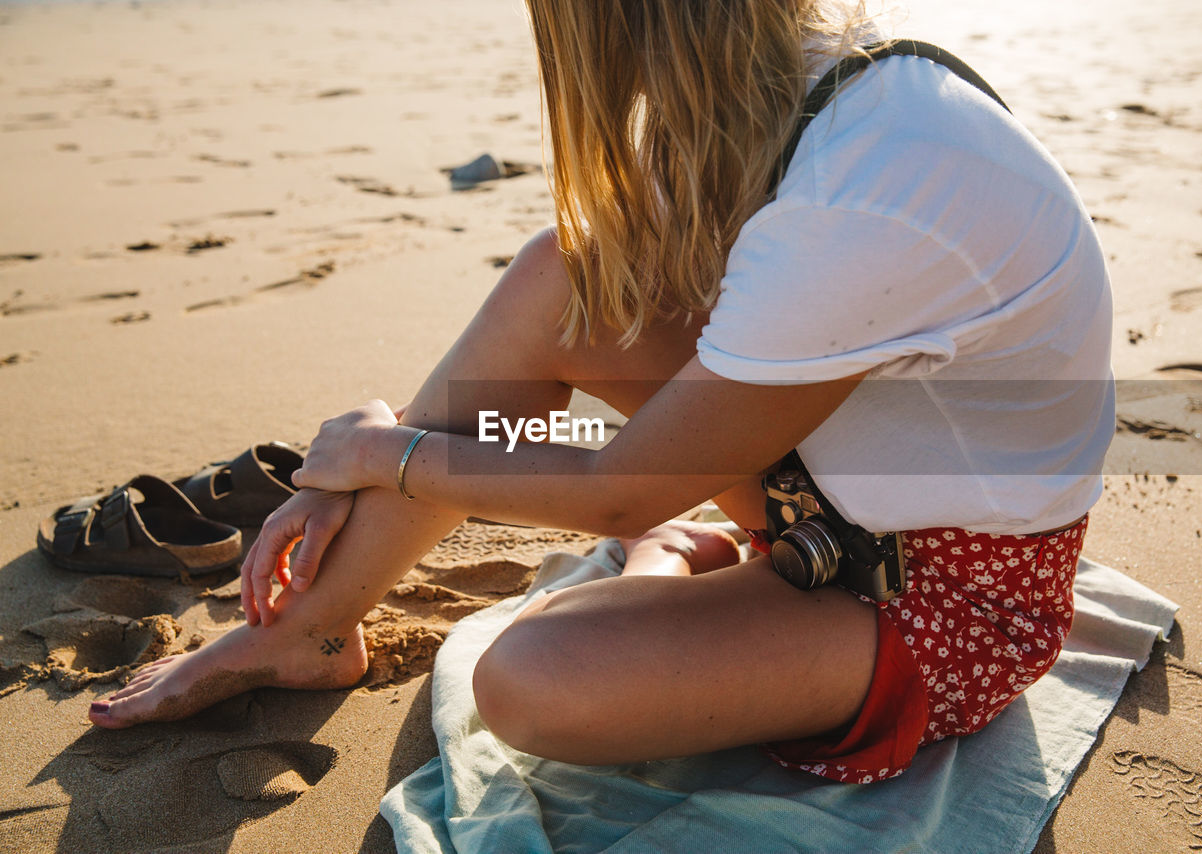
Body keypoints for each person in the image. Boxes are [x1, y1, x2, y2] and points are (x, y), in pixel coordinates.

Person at [89, 0, 1114, 786]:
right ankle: (309, 628)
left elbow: (621, 487)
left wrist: (377, 453)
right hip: (830, 489)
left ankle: (678, 561)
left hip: (937, 597)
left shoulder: (869, 181)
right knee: (563, 278)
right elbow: (579, 342)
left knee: (529, 681)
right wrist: (339, 470)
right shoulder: (777, 85)